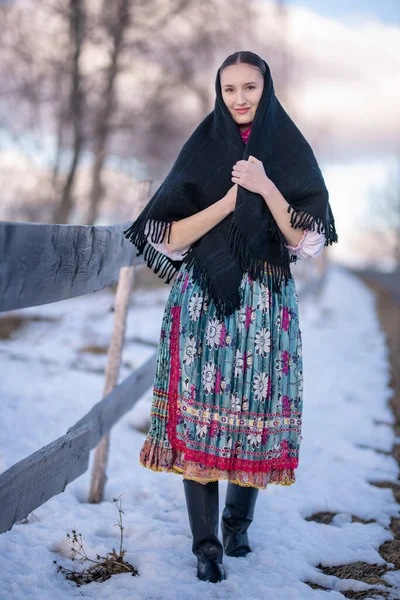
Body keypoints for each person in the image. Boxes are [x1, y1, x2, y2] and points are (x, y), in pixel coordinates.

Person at [124, 50, 338, 584]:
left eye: (250, 88)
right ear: (218, 94)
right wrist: (226, 201)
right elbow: (165, 237)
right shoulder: (201, 148)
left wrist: (265, 187)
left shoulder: (289, 149)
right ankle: (207, 545)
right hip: (204, 303)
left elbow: (307, 239)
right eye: (229, 89)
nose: (240, 99)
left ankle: (239, 525)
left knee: (254, 415)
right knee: (200, 416)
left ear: (267, 90)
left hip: (266, 302)